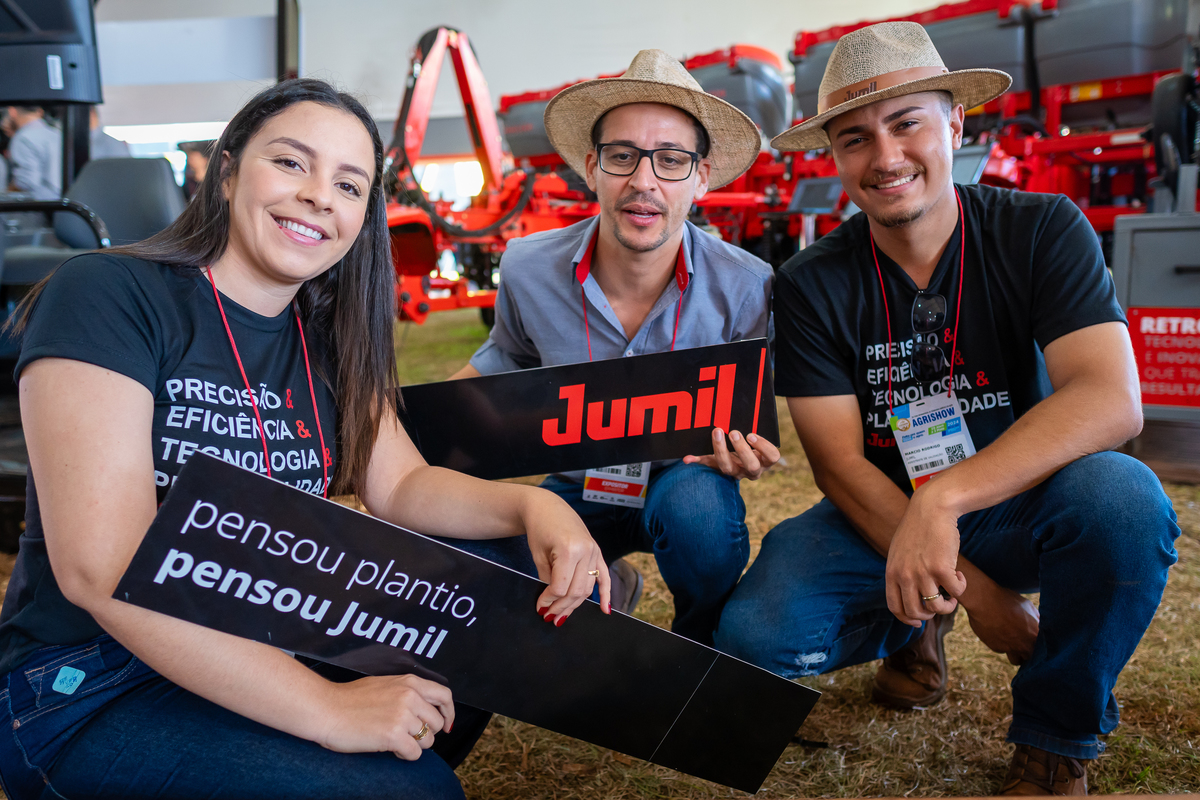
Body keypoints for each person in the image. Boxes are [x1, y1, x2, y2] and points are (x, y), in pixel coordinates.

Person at [0, 78, 610, 800]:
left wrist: (534, 511)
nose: (322, 195)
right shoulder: (109, 291)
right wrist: (327, 708)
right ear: (226, 172)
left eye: (350, 185)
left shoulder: (330, 335)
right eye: (292, 163)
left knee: (499, 572)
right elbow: (101, 571)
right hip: (92, 681)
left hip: (271, 631)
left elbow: (402, 486)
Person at [715, 22, 1179, 796]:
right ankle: (916, 620)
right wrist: (984, 595)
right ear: (833, 154)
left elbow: (1111, 399)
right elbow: (836, 463)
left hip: (1023, 498)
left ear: (955, 122)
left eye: (907, 124)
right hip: (885, 510)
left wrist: (951, 501)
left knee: (1125, 504)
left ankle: (1057, 731)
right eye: (856, 138)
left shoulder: (1042, 228)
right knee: (757, 637)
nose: (887, 158)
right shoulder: (809, 281)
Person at [449, 49, 778, 646]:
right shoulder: (526, 268)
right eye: (621, 156)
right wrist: (406, 432)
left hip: (684, 480)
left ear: (702, 177)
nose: (643, 181)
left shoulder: (747, 286)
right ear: (590, 166)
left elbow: (751, 418)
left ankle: (701, 650)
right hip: (574, 488)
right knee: (497, 582)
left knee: (700, 511)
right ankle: (613, 581)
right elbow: (501, 361)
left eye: (671, 160)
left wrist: (747, 451)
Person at [4, 106, 62, 200]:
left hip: (39, 207)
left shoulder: (23, 137)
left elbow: (25, 182)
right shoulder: (56, 133)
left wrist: (6, 194)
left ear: (12, 111)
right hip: (62, 203)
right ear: (40, 112)